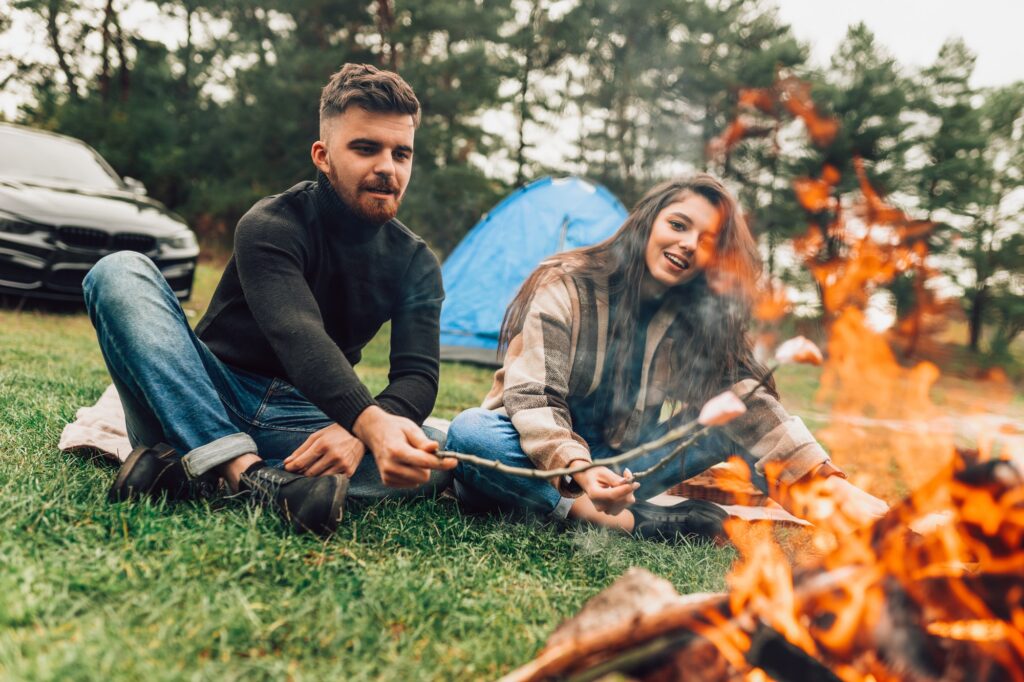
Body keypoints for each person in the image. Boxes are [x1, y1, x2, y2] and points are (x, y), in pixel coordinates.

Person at [83, 63, 455, 535]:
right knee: (118, 271)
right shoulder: (270, 224)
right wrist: (370, 422)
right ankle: (248, 475)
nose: (387, 167)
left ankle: (189, 469)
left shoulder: (417, 261)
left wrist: (355, 434)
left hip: (306, 420)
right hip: (204, 394)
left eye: (401, 154)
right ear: (322, 155)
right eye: (365, 148)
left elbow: (418, 375)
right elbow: (297, 334)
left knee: (441, 455)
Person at [444, 175, 888, 540]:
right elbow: (533, 397)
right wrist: (578, 470)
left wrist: (825, 481)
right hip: (536, 458)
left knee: (734, 416)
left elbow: (749, 404)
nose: (689, 244)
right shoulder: (567, 285)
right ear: (648, 222)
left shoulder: (693, 317)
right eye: (678, 225)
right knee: (470, 434)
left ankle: (846, 522)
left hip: (623, 470)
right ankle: (618, 519)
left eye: (708, 240)